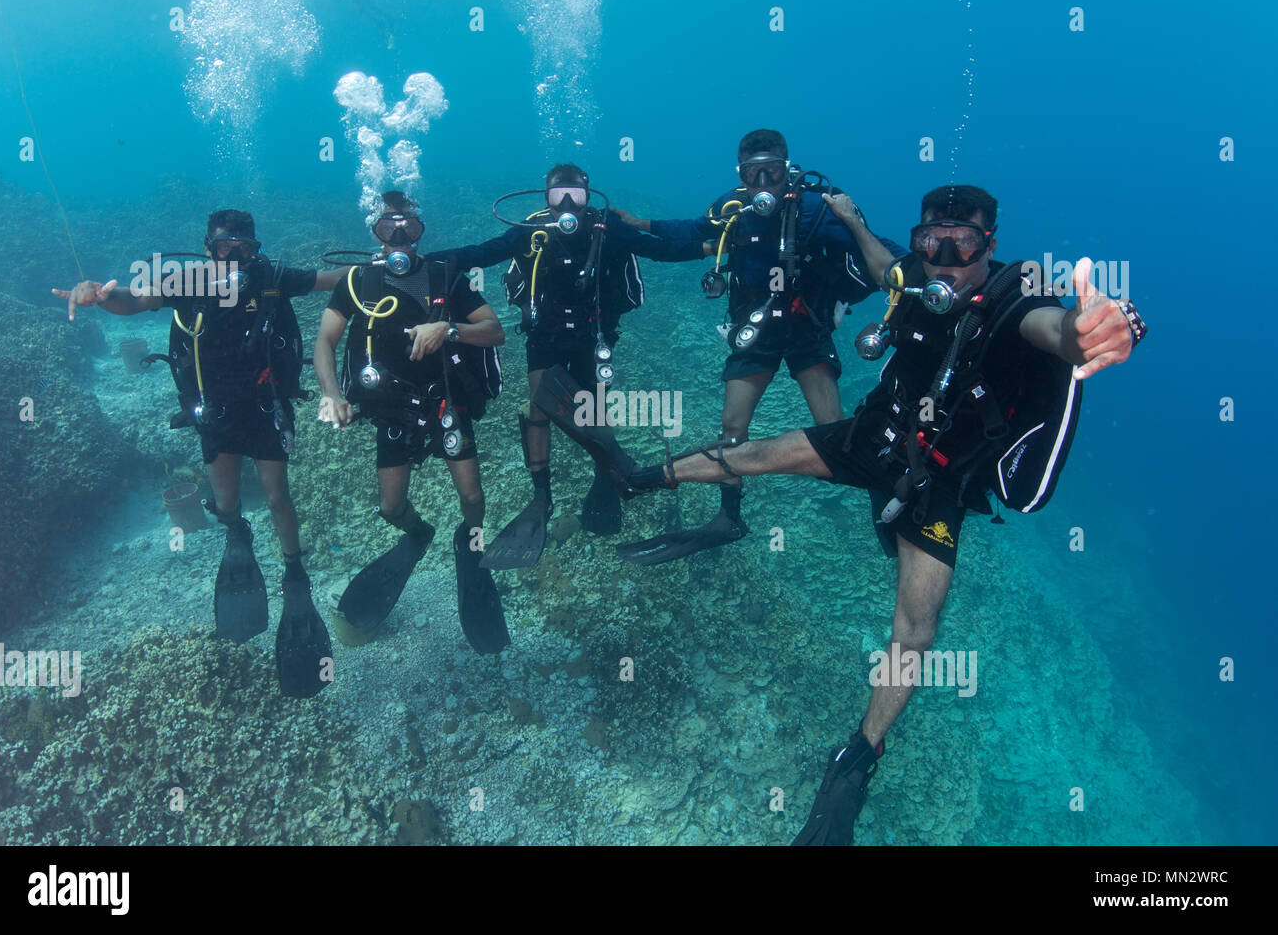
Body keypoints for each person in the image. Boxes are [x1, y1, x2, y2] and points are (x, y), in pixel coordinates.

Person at [532, 184, 1148, 844]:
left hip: (933, 481)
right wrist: (855, 221)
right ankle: (638, 478)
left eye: (961, 244)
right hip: (873, 437)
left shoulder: (1013, 299)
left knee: (915, 627)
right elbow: (887, 269)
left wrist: (1086, 335)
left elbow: (1054, 330)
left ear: (989, 246)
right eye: (930, 241)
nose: (942, 259)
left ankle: (857, 760)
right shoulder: (915, 277)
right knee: (755, 453)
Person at [53, 210, 345, 698]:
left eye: (243, 247)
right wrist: (99, 296)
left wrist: (380, 271)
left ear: (256, 247)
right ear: (207, 248)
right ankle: (237, 533)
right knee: (225, 501)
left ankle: (294, 569)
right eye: (224, 247)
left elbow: (331, 280)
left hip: (265, 405)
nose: (234, 257)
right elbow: (135, 299)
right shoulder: (187, 281)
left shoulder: (272, 277)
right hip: (214, 411)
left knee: (277, 498)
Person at [611, 128, 905, 564]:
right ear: (741, 175)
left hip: (807, 328)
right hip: (757, 329)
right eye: (753, 173)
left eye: (773, 171)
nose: (763, 183)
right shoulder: (733, 210)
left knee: (836, 430)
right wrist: (640, 225)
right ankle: (729, 517)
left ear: (789, 170)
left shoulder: (816, 210)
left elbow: (889, 256)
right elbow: (691, 231)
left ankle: (885, 506)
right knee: (732, 428)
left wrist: (914, 262)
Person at [454, 164, 705, 571]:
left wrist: (719, 246)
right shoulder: (530, 232)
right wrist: (423, 264)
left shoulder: (608, 228)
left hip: (595, 336)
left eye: (576, 195)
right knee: (540, 406)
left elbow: (663, 249)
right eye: (558, 196)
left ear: (589, 197)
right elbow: (478, 255)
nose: (567, 205)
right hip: (545, 338)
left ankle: (605, 477)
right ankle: (541, 498)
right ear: (546, 198)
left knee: (593, 410)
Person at [313, 190, 510, 653]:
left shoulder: (446, 276)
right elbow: (325, 341)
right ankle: (420, 534)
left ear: (422, 232)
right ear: (375, 234)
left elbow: (495, 330)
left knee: (472, 496)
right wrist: (331, 393)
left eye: (409, 228)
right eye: (388, 228)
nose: (400, 237)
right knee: (390, 509)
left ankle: (471, 542)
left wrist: (450, 328)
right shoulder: (358, 282)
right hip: (392, 409)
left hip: (444, 402)